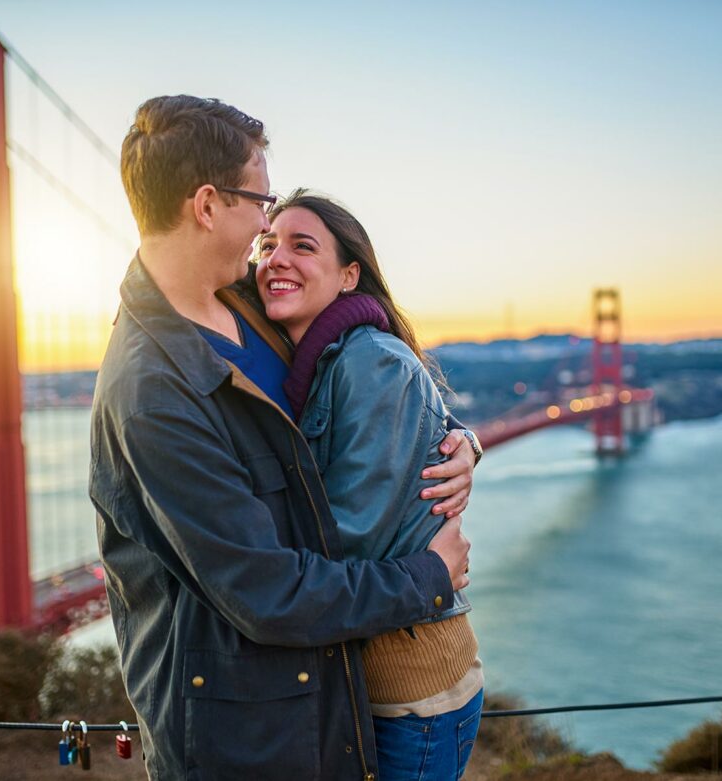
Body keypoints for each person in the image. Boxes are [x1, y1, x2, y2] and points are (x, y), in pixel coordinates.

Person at [89, 95, 479, 780]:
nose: (267, 225)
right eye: (259, 203)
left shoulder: (248, 304)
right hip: (247, 735)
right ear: (207, 205)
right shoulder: (151, 392)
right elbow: (266, 591)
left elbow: (371, 381)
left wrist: (456, 442)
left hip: (325, 697)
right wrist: (428, 578)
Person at [255, 190, 484, 780]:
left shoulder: (368, 361)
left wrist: (234, 556)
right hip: (367, 679)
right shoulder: (311, 360)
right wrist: (466, 439)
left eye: (302, 246)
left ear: (349, 275)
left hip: (411, 687)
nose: (276, 258)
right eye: (266, 244)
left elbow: (352, 537)